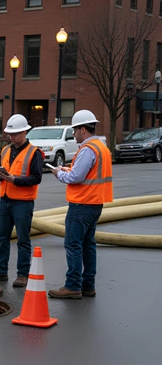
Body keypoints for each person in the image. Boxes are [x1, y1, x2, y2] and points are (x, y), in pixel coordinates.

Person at [47, 109, 113, 299]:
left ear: (83, 130)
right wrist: (67, 169)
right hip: (95, 203)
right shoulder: (101, 147)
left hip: (81, 204)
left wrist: (59, 173)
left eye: (75, 130)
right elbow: (88, 173)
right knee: (88, 245)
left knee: (73, 244)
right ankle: (88, 285)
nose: (74, 133)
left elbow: (76, 177)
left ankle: (73, 286)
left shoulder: (87, 149)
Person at [0, 114, 43, 288]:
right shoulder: (6, 150)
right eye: (10, 134)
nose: (11, 137)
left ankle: (23, 274)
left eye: (14, 134)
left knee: (23, 240)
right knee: (2, 237)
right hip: (6, 200)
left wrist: (15, 180)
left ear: (24, 132)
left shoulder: (34, 153)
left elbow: (36, 178)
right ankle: (0, 270)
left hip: (23, 202)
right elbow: (1, 171)